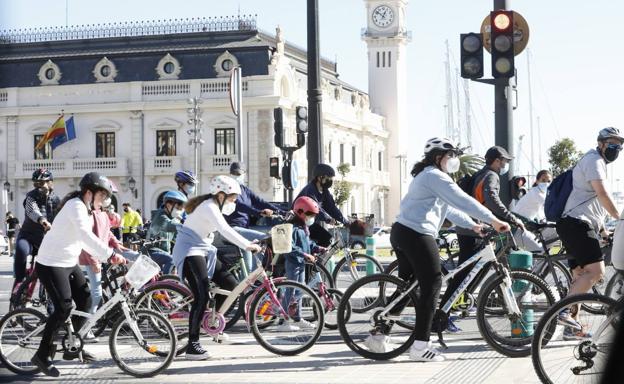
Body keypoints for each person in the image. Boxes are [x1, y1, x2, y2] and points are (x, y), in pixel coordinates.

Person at [367, 137, 510, 361]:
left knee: (409, 286)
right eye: (450, 155)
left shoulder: (431, 177)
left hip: (404, 232)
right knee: (433, 282)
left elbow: (450, 210)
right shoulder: (434, 176)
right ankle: (420, 346)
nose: (454, 159)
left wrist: (473, 225)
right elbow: (463, 199)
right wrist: (493, 220)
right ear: (438, 158)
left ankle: (379, 335)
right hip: (416, 234)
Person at [30, 172, 126, 377]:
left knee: (85, 298)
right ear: (89, 193)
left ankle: (72, 345)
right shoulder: (75, 206)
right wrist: (109, 255)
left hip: (68, 261)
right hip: (51, 263)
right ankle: (42, 354)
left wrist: (111, 249)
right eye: (102, 196)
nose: (104, 201)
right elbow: (85, 236)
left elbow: (94, 235)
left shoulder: (86, 208)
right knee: (63, 308)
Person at [172, 175, 261, 360]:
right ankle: (192, 346)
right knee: (202, 295)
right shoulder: (209, 206)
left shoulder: (213, 205)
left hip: (204, 249)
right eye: (232, 198)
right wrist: (247, 246)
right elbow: (225, 230)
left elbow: (228, 229)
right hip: (189, 249)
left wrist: (249, 241)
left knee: (231, 285)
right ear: (221, 195)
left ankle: (212, 324)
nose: (234, 202)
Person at [556, 127, 623, 338]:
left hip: (573, 223)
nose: (617, 149)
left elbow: (592, 204)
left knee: (580, 277)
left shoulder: (596, 162)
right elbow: (602, 194)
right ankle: (564, 311)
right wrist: (620, 218)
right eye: (612, 144)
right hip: (577, 224)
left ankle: (571, 327)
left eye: (620, 146)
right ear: (601, 143)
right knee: (596, 272)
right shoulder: (594, 161)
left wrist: (603, 229)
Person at [452, 145, 525, 330]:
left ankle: (457, 304)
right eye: (504, 161)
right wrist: (510, 217)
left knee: (469, 269)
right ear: (496, 160)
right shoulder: (491, 176)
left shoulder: (482, 173)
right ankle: (448, 312)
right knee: (466, 272)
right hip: (472, 228)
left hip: (468, 226)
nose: (506, 164)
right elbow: (491, 199)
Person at [78, 180, 129, 342]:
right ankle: (85, 328)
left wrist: (118, 245)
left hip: (100, 255)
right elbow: (88, 240)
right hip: (90, 257)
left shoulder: (102, 213)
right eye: (104, 195)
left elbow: (108, 234)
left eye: (108, 196)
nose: (107, 198)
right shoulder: (91, 214)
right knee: (96, 294)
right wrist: (94, 262)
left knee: (99, 292)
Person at [222, 161, 284, 273]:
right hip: (233, 229)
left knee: (248, 267)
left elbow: (260, 202)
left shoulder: (245, 190)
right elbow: (240, 206)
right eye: (234, 174)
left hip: (244, 230)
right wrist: (259, 212)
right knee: (263, 238)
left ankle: (247, 286)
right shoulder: (230, 190)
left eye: (239, 174)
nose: (236, 176)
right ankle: (255, 278)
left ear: (244, 174)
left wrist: (282, 211)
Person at [278, 196, 325, 331]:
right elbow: (290, 247)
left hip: (301, 263)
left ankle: (297, 318)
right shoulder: (292, 228)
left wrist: (317, 248)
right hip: (293, 263)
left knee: (300, 290)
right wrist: (305, 255)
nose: (312, 218)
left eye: (313, 215)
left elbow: (307, 243)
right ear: (299, 212)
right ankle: (283, 321)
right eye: (309, 214)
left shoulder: (303, 227)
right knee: (290, 291)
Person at [12, 168, 61, 293]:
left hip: (45, 239)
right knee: (22, 251)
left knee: (51, 270)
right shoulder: (31, 197)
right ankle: (19, 283)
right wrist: (42, 220)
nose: (38, 186)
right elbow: (31, 210)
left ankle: (51, 301)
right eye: (36, 183)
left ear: (50, 183)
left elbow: (63, 214)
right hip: (27, 236)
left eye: (42, 183)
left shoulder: (56, 200)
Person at [295, 163, 349, 247]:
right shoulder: (310, 191)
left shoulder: (325, 192)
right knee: (312, 244)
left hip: (310, 223)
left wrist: (345, 222)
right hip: (298, 224)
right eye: (329, 178)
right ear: (320, 177)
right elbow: (316, 209)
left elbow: (332, 208)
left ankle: (317, 259)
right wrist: (328, 219)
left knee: (328, 240)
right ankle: (310, 259)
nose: (331, 180)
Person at [511, 170, 555, 252]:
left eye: (549, 181)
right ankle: (540, 263)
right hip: (516, 228)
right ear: (537, 181)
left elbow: (542, 215)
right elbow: (550, 205)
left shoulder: (541, 193)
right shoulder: (535, 192)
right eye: (543, 180)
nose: (546, 183)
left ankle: (544, 263)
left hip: (523, 226)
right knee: (541, 251)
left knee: (553, 232)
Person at [146, 190, 187, 274]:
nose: (180, 210)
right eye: (178, 207)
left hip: (163, 252)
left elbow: (177, 237)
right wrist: (185, 225)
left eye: (181, 208)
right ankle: (165, 284)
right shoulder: (160, 215)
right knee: (172, 260)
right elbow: (170, 226)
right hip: (151, 251)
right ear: (168, 205)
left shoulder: (171, 218)